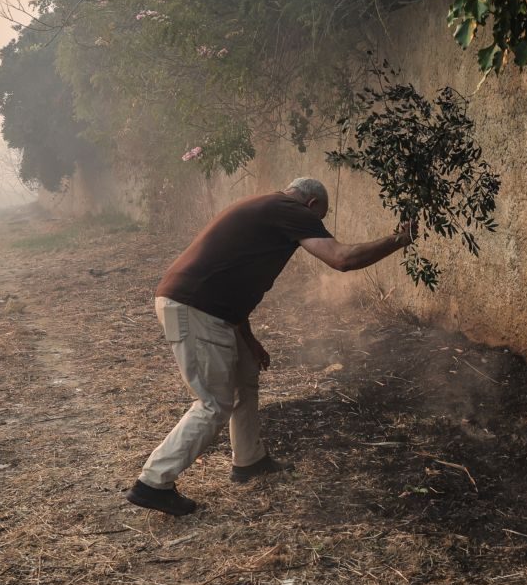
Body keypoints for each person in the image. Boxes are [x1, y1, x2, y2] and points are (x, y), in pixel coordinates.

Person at [125, 177, 414, 515]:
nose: (316, 226)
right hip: (195, 308)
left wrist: (248, 339)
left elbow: (230, 280)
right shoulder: (291, 209)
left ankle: (249, 461)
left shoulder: (264, 207)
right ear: (311, 205)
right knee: (213, 403)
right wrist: (399, 239)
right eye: (319, 218)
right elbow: (342, 259)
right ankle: (153, 482)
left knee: (245, 374)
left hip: (206, 307)